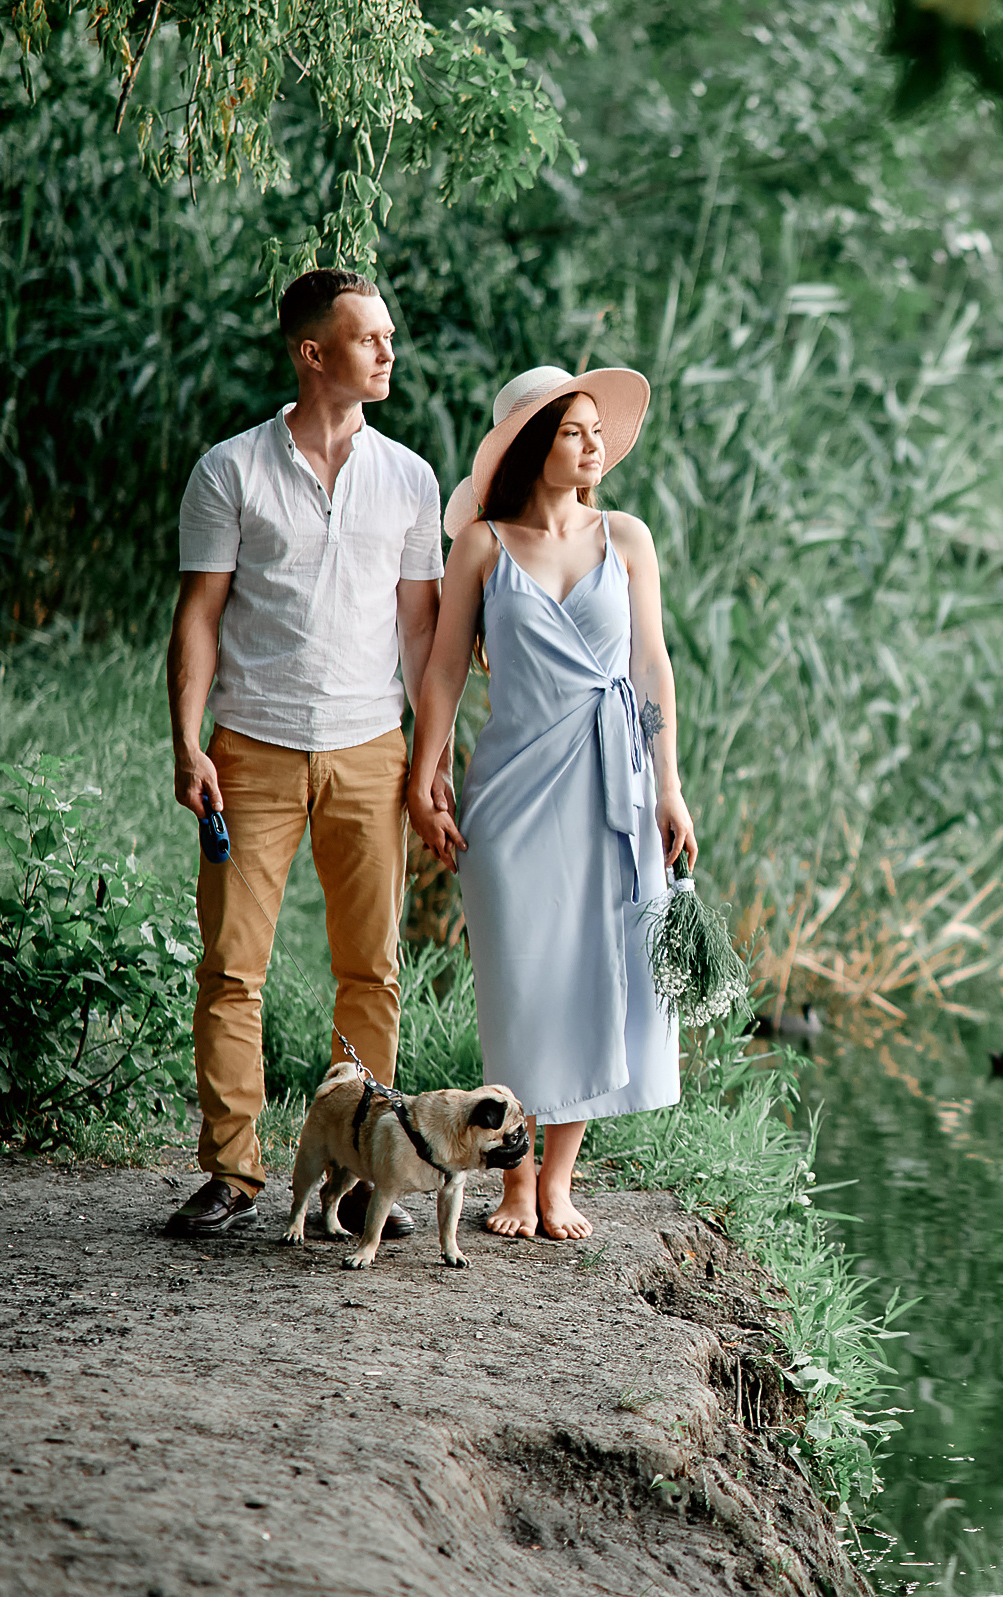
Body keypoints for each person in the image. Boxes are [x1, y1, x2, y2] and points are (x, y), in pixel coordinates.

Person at [164, 270, 442, 1238]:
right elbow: (197, 617)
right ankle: (234, 1174)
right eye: (369, 339)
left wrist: (430, 759)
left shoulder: (410, 479)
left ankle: (363, 1174)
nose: (388, 352)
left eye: (389, 336)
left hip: (371, 748)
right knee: (234, 967)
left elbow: (420, 635)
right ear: (311, 353)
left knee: (371, 967)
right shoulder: (230, 471)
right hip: (251, 752)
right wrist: (185, 740)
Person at [407, 365, 692, 1241]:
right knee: (525, 982)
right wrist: (429, 771)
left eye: (597, 430)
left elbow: (651, 668)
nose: (595, 444)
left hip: (615, 785)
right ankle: (515, 1181)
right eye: (575, 431)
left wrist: (670, 785)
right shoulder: (484, 547)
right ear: (537, 444)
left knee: (597, 979)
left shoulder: (629, 537)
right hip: (512, 791)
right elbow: (446, 668)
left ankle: (557, 1181)